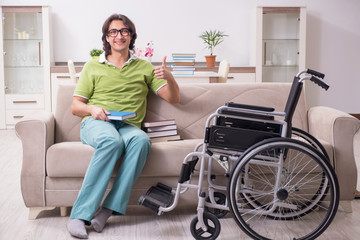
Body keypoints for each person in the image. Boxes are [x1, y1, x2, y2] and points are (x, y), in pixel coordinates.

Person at [67, 13, 180, 239]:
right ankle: (79, 215)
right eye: (113, 32)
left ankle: (107, 210)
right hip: (97, 122)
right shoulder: (92, 66)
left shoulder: (144, 67)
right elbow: (75, 106)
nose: (119, 36)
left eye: (124, 31)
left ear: (131, 36)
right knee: (111, 141)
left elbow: (173, 98)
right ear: (106, 38)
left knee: (141, 141)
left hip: (128, 125)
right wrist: (93, 109)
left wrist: (169, 77)